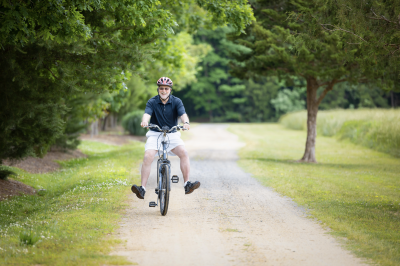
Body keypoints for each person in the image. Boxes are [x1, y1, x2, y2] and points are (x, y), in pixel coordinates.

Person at [131, 77, 201, 199]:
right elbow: (147, 113)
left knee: (184, 152)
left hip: (172, 133)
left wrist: (186, 123)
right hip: (155, 133)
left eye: (166, 88)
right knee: (147, 157)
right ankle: (142, 189)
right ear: (158, 89)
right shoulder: (152, 101)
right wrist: (144, 121)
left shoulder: (177, 101)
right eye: (161, 88)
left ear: (170, 90)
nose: (164, 91)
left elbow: (183, 114)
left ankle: (187, 184)